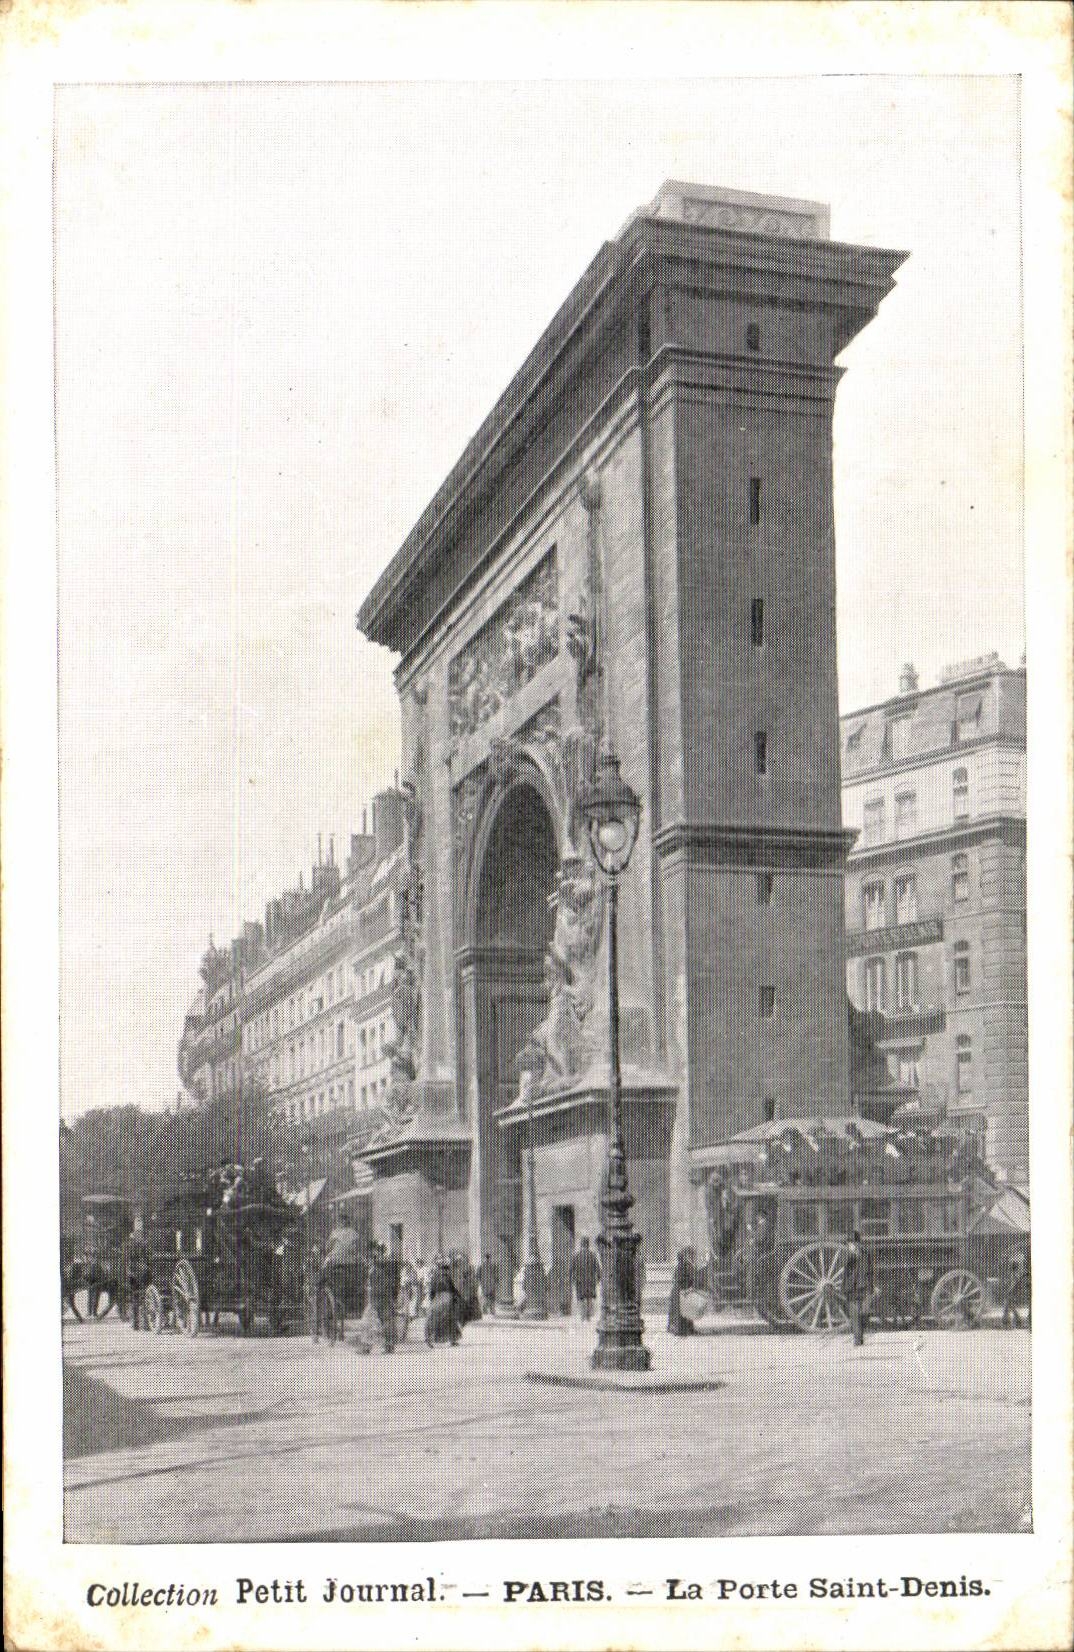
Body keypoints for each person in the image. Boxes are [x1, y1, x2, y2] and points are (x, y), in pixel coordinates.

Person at [841, 1231, 873, 1346]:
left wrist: (871, 1286)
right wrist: (852, 1253)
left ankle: (860, 1335)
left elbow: (870, 1270)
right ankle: (858, 1339)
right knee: (855, 1314)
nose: (853, 1245)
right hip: (851, 1288)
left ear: (859, 1243)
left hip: (863, 1286)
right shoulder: (846, 1254)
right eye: (850, 1243)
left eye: (855, 1243)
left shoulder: (865, 1253)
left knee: (864, 1313)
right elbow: (844, 1264)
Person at [425, 1256, 462, 1346]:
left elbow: (432, 1289)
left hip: (438, 1298)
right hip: (447, 1298)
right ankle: (452, 1340)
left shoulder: (435, 1276)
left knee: (434, 1319)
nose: (446, 1271)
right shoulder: (446, 1276)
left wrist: (431, 1298)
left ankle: (429, 1338)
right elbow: (452, 1288)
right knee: (450, 1319)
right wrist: (457, 1296)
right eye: (446, 1269)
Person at [123, 1220, 151, 1330]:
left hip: (133, 1273)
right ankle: (144, 1324)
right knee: (143, 1297)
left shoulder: (130, 1244)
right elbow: (147, 1257)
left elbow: (127, 1259)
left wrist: (129, 1271)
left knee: (135, 1297)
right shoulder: (144, 1244)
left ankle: (135, 1324)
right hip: (142, 1272)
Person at [668, 1247, 698, 1336]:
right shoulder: (683, 1266)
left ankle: (687, 1329)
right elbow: (680, 1279)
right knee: (681, 1311)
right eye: (691, 1255)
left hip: (683, 1290)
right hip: (682, 1290)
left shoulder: (685, 1265)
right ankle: (681, 1330)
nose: (693, 1256)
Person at [569, 1236, 600, 1320]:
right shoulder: (592, 1255)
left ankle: (583, 1316)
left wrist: (572, 1279)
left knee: (581, 1298)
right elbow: (598, 1268)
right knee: (589, 1298)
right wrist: (598, 1279)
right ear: (588, 1244)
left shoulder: (576, 1256)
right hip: (590, 1280)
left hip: (579, 1281)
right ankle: (588, 1316)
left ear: (581, 1245)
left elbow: (571, 1269)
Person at [1001, 1247, 1030, 1330]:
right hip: (1016, 1282)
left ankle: (1010, 1321)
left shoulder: (1016, 1261)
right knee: (1009, 1302)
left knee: (1009, 1301)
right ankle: (1014, 1321)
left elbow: (1015, 1274)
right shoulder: (1018, 1260)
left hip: (1015, 1282)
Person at [478, 1251, 499, 1315]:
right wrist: (496, 1282)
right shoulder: (493, 1265)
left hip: (484, 1284)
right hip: (492, 1284)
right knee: (492, 1298)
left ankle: (484, 1310)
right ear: (490, 1258)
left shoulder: (481, 1266)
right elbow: (496, 1275)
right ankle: (492, 1310)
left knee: (485, 1297)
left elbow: (478, 1275)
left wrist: (481, 1282)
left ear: (484, 1257)